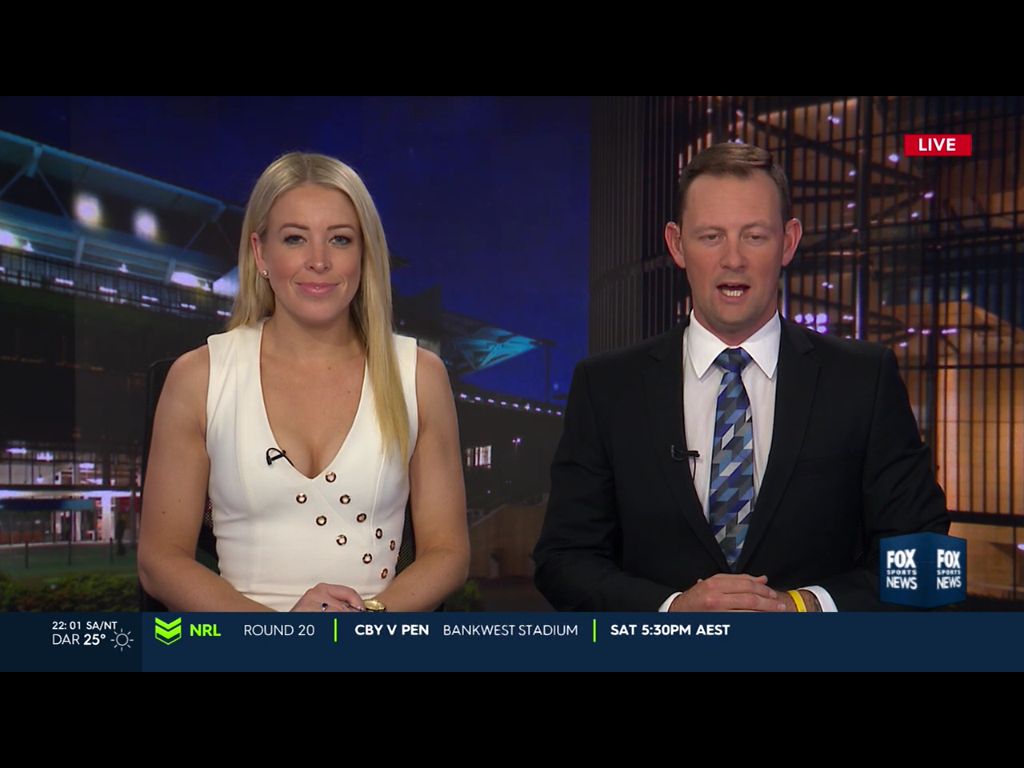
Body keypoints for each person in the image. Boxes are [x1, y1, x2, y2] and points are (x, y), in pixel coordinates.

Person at [534, 142, 949, 612]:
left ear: (788, 242)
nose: (733, 259)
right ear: (677, 245)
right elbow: (563, 561)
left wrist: (805, 607)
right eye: (711, 236)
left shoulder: (863, 380)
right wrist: (671, 611)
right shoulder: (608, 387)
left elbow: (930, 560)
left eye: (754, 236)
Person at [139, 152, 469, 612]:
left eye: (340, 239)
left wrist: (368, 621)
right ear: (261, 253)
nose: (319, 261)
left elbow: (448, 554)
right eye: (295, 238)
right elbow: (160, 561)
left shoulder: (420, 376)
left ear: (364, 254)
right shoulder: (198, 377)